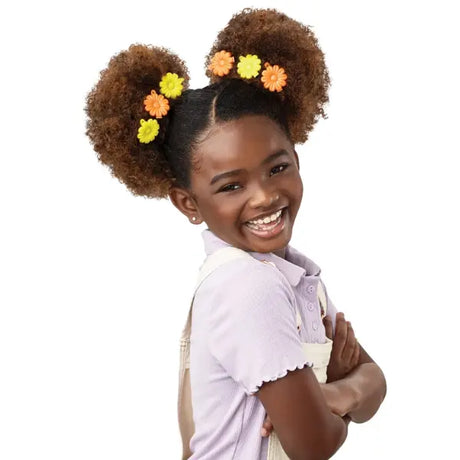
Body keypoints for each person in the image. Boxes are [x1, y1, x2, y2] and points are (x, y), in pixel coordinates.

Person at [85, 7, 387, 459]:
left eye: (277, 168)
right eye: (231, 186)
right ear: (188, 203)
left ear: (296, 159)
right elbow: (313, 444)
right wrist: (345, 394)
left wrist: (335, 395)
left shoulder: (294, 274)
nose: (264, 196)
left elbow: (377, 381)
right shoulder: (248, 286)